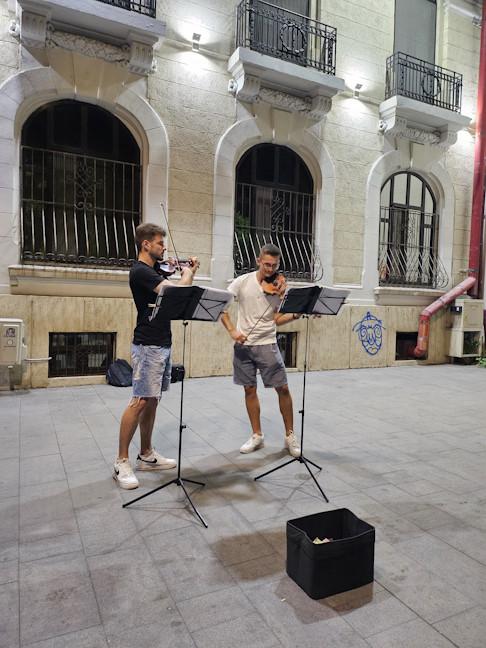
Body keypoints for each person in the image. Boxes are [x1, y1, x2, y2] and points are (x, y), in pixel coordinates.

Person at [113, 223, 199, 489]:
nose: (164, 248)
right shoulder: (140, 272)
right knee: (139, 400)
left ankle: (146, 454)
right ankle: (121, 461)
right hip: (148, 344)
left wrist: (184, 272)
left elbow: (173, 297)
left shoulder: (153, 271)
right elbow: (175, 293)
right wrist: (188, 273)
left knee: (152, 400)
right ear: (146, 244)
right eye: (160, 243)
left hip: (162, 341)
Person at [221, 244, 301, 457]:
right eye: (266, 264)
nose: (270, 269)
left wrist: (294, 315)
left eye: (274, 265)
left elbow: (276, 319)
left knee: (282, 388)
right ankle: (257, 435)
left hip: (267, 343)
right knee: (249, 389)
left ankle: (290, 435)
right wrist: (232, 331)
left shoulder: (278, 287)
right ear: (258, 261)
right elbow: (221, 306)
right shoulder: (242, 282)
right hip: (243, 345)